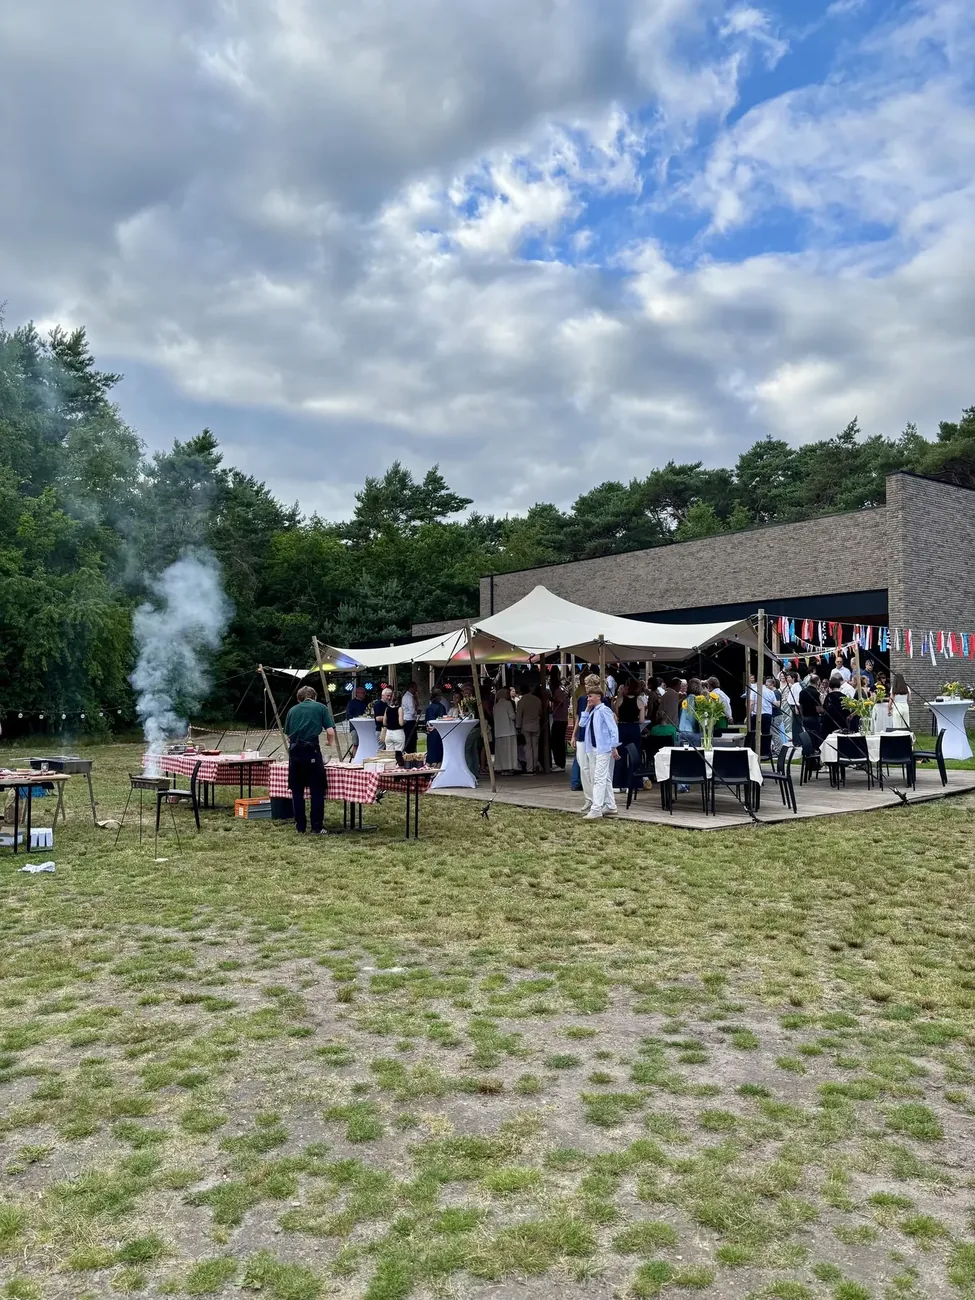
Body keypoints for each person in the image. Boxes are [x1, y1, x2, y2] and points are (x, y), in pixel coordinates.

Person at [284, 685, 336, 835]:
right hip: (312, 751)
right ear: (314, 697)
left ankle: (300, 827)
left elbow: (288, 736)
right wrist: (329, 742)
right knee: (317, 790)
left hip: (295, 753)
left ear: (299, 698)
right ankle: (317, 826)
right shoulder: (320, 708)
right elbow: (331, 731)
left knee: (297, 791)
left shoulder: (292, 710)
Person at [577, 680, 620, 819]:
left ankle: (596, 808)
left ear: (598, 697)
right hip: (593, 748)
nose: (588, 699)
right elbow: (582, 723)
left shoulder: (604, 710)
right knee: (605, 777)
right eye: (588, 696)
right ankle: (611, 806)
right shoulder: (593, 711)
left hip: (603, 748)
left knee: (599, 778)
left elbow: (613, 729)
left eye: (590, 696)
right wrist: (587, 709)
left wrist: (614, 747)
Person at [614, 679, 644, 787]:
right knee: (634, 755)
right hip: (634, 728)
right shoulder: (640, 702)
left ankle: (618, 782)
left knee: (620, 755)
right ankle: (634, 782)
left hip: (622, 727)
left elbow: (616, 716)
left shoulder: (619, 700)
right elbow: (641, 720)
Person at [516, 685, 543, 774]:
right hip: (536, 726)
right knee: (535, 747)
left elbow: (519, 715)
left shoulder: (521, 701)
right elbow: (540, 713)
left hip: (525, 726)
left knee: (528, 748)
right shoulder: (537, 700)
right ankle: (535, 766)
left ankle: (529, 768)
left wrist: (518, 727)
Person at [493, 684, 518, 774]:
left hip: (499, 731)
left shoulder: (496, 705)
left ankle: (502, 768)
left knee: (501, 752)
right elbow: (513, 716)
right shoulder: (507, 703)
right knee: (509, 752)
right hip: (509, 731)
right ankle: (510, 767)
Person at [549, 669, 568, 771]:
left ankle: (560, 764)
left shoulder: (558, 691)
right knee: (556, 741)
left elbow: (560, 702)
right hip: (559, 719)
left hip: (560, 720)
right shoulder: (559, 691)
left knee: (557, 742)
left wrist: (551, 699)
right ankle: (559, 762)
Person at [423, 689, 447, 765]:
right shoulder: (441, 707)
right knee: (438, 748)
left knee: (431, 747)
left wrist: (428, 727)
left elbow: (426, 719)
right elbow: (442, 718)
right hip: (438, 729)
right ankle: (438, 763)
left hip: (429, 729)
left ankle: (430, 762)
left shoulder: (428, 707)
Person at [401, 681, 419, 753]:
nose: (416, 690)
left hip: (408, 720)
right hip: (409, 721)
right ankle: (410, 753)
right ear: (411, 688)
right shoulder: (409, 697)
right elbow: (412, 711)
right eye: (415, 688)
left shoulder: (407, 696)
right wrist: (416, 712)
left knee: (410, 738)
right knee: (410, 739)